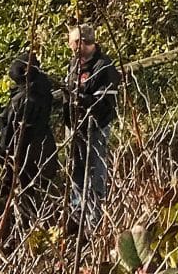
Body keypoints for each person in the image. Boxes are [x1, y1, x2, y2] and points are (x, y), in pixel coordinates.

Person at [65, 21, 121, 221]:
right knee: (75, 168)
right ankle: (77, 211)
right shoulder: (74, 64)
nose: (70, 46)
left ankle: (95, 215)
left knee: (95, 168)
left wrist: (84, 101)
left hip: (95, 126)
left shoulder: (105, 67)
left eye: (71, 42)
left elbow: (104, 100)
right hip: (74, 126)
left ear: (80, 42)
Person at [0, 41, 57, 220]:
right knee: (41, 192)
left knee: (25, 196)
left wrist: (3, 153)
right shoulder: (43, 89)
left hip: (23, 154)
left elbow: (11, 131)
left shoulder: (22, 100)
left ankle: (27, 228)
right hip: (44, 148)